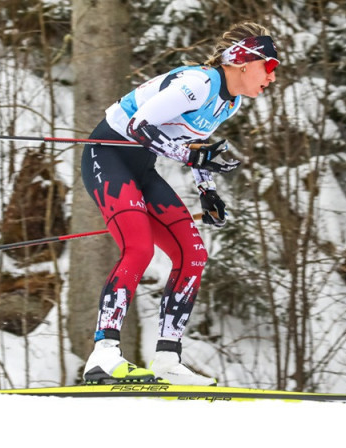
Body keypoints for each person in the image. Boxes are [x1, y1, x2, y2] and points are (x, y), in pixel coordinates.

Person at [81, 21, 279, 385]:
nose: (271, 76)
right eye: (268, 66)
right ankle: (103, 354)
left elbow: (192, 146)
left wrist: (207, 189)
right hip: (108, 155)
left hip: (142, 167)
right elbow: (139, 125)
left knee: (193, 255)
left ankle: (167, 360)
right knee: (139, 248)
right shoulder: (197, 84)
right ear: (242, 61)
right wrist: (192, 158)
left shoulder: (228, 102)